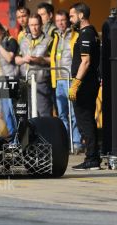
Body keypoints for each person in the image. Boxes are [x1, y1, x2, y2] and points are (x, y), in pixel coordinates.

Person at [69, 3, 101, 170]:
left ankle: (92, 159)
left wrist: (76, 83)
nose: (70, 19)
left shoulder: (87, 33)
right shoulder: (87, 33)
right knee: (86, 120)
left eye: (72, 16)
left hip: (85, 84)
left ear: (81, 16)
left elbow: (86, 61)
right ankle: (93, 156)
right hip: (87, 83)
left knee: (85, 120)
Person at [50, 9, 84, 154]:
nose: (60, 23)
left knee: (74, 113)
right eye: (58, 21)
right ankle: (65, 142)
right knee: (62, 114)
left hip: (70, 79)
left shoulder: (75, 35)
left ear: (68, 21)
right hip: (58, 80)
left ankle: (76, 143)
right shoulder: (56, 36)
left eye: (63, 20)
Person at [15, 14, 53, 117]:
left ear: (41, 25)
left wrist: (39, 60)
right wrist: (23, 59)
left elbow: (53, 60)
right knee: (29, 113)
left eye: (36, 24)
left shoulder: (49, 40)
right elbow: (16, 59)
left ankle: (45, 133)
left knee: (43, 112)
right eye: (31, 25)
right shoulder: (23, 40)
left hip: (41, 80)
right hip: (26, 81)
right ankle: (32, 133)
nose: (34, 28)